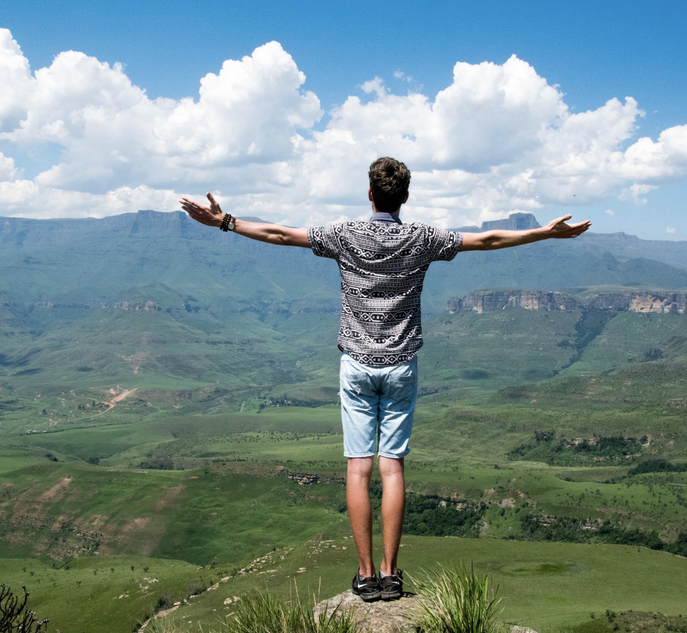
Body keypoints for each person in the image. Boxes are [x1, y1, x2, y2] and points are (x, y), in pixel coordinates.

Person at [180, 157, 591, 602]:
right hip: (401, 367)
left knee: (358, 468)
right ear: (405, 198)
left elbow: (280, 234)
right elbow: (488, 239)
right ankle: (392, 576)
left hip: (356, 365)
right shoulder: (422, 238)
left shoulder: (345, 234)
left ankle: (365, 575)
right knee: (391, 467)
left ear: (370, 194)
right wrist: (546, 233)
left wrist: (225, 222)